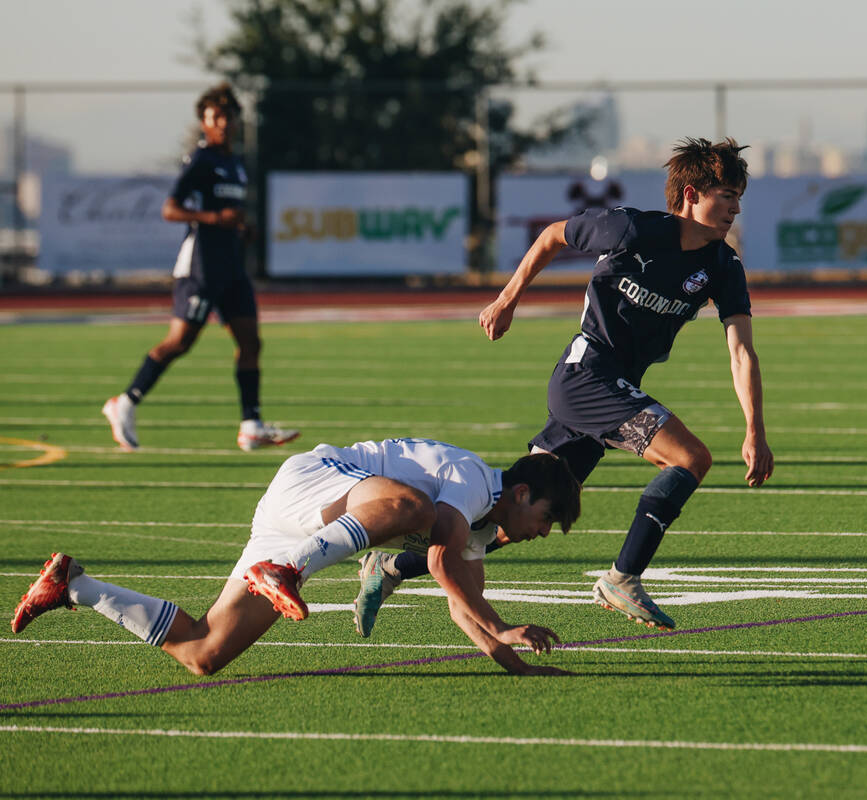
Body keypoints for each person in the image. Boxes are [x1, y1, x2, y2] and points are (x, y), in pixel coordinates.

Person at [353, 138, 774, 635]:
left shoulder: (723, 268)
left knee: (514, 519)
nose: (734, 207)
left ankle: (391, 567)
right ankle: (623, 577)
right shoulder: (632, 227)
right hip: (584, 378)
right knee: (691, 459)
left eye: (738, 196)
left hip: (608, 390)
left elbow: (741, 350)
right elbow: (554, 235)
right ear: (689, 194)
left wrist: (755, 429)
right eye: (725, 194)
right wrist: (507, 300)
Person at [10, 439, 581, 677]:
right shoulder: (477, 481)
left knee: (204, 651)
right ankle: (288, 571)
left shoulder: (483, 524)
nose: (544, 532)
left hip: (300, 524)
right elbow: (439, 561)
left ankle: (72, 585)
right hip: (317, 483)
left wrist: (510, 657)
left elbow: (465, 600)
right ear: (523, 493)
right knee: (415, 509)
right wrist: (502, 626)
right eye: (547, 519)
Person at [102, 82, 298, 452]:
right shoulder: (202, 160)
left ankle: (250, 425)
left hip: (231, 266)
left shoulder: (236, 164)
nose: (223, 123)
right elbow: (170, 209)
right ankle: (124, 402)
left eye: (228, 116)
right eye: (215, 117)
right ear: (204, 123)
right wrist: (215, 217)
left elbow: (228, 215)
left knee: (251, 342)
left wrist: (240, 228)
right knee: (179, 343)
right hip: (201, 267)